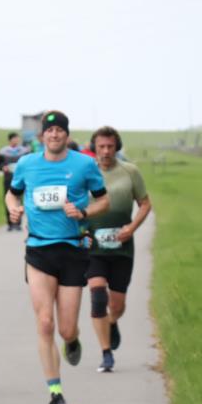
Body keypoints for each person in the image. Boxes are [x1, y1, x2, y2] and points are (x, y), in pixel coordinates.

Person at [5, 111, 109, 404]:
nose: (54, 135)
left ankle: (73, 339)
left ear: (66, 134)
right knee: (45, 323)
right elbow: (13, 195)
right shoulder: (26, 164)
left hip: (72, 251)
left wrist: (84, 213)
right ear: (42, 136)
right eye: (48, 130)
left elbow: (103, 200)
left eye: (59, 130)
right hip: (38, 249)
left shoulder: (84, 164)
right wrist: (13, 211)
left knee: (65, 328)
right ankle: (56, 395)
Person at [86, 126, 152, 372]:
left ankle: (112, 322)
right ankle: (106, 353)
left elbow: (145, 204)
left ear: (117, 147)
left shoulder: (129, 171)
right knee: (97, 296)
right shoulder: (86, 171)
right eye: (101, 146)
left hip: (121, 247)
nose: (105, 151)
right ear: (94, 148)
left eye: (110, 146)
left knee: (117, 305)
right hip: (92, 246)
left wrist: (132, 228)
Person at [0, 133, 30, 230]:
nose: (17, 140)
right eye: (15, 139)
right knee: (9, 199)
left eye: (17, 138)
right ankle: (10, 223)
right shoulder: (3, 151)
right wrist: (3, 167)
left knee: (19, 199)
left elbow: (28, 163)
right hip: (8, 178)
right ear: (10, 140)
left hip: (21, 179)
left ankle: (18, 223)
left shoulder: (24, 151)